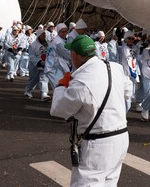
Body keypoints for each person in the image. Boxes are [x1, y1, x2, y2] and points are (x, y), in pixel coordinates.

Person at [50, 35, 131, 186]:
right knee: (110, 183)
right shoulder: (114, 67)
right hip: (121, 136)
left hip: (99, 143)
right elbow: (128, 90)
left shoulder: (81, 80)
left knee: (87, 182)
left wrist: (61, 85)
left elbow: (58, 109)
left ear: (74, 55)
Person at [24, 27, 50, 101]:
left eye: (44, 34)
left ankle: (44, 94)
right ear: (38, 35)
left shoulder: (48, 44)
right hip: (35, 65)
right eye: (42, 34)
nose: (44, 35)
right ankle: (28, 90)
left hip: (45, 64)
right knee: (33, 79)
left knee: (44, 78)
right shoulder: (33, 45)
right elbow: (31, 55)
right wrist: (38, 62)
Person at [45, 23, 72, 90]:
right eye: (62, 31)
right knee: (59, 87)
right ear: (58, 32)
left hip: (57, 66)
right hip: (53, 67)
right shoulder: (58, 42)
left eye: (65, 31)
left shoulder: (62, 40)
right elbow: (67, 54)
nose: (64, 33)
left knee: (62, 86)